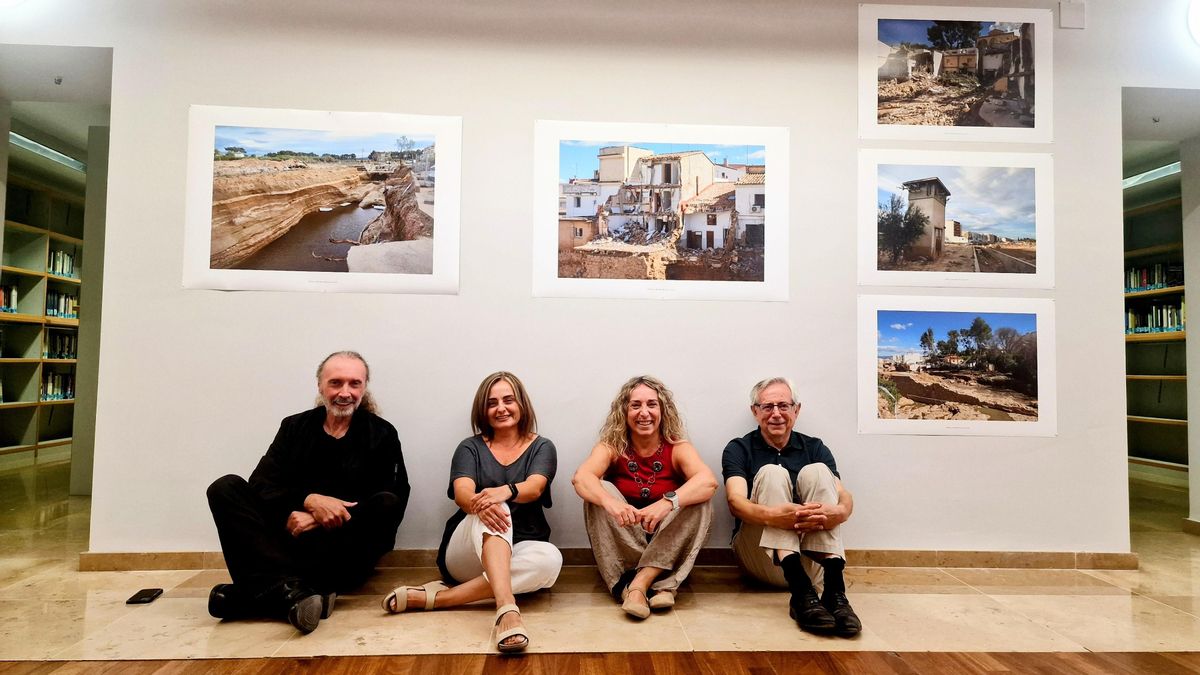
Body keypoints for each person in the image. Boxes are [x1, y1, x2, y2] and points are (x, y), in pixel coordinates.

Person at [206, 350, 409, 634]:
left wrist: (320, 517)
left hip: (340, 552)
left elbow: (391, 498)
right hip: (286, 540)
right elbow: (261, 483)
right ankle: (300, 592)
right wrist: (308, 500)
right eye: (335, 383)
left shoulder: (382, 433)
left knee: (387, 503)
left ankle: (256, 593)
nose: (345, 392)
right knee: (225, 487)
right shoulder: (294, 427)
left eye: (354, 383)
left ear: (364, 388)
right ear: (320, 386)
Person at [382, 371, 561, 654]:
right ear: (482, 410)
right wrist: (488, 500)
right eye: (492, 403)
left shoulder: (542, 446)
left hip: (520, 547)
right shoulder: (470, 447)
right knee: (493, 506)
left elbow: (535, 487)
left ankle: (439, 598)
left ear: (521, 404)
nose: (501, 408)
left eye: (508, 400)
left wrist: (506, 490)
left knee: (551, 560)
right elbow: (463, 493)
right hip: (466, 554)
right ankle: (506, 608)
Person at [721, 376, 861, 637]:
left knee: (818, 471)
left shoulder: (815, 447)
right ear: (755, 412)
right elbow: (735, 503)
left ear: (796, 410)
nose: (776, 413)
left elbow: (844, 495)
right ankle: (800, 591)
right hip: (761, 559)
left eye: (783, 406)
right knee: (772, 473)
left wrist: (840, 512)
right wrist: (773, 516)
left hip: (813, 563)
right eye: (767, 406)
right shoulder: (739, 448)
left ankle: (835, 592)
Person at [573, 375, 716, 619]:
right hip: (626, 539)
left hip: (667, 538)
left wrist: (667, 502)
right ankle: (661, 585)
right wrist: (611, 503)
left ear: (663, 410)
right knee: (598, 490)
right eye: (635, 405)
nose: (644, 412)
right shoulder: (611, 447)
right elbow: (581, 478)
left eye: (652, 404)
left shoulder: (678, 448)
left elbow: (708, 481)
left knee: (699, 498)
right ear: (624, 411)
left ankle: (638, 585)